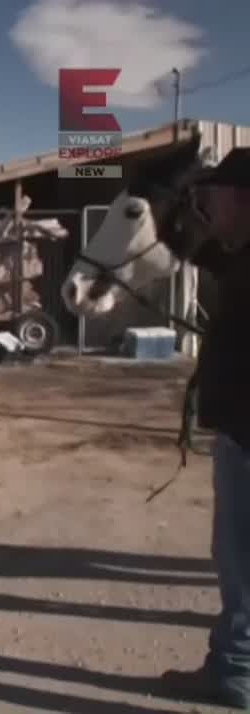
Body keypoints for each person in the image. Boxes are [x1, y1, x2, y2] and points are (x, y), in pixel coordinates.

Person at [160, 147, 250, 709]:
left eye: (213, 195)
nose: (206, 205)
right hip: (239, 430)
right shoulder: (238, 257)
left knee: (240, 556)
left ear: (244, 199)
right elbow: (186, 242)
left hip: (248, 434)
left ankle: (236, 672)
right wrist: (175, 192)